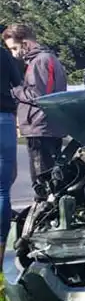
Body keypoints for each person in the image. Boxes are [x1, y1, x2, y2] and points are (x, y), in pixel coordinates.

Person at [2, 24, 68, 200]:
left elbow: (39, 95)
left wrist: (15, 90)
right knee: (50, 178)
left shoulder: (40, 61)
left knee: (42, 182)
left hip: (40, 126)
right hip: (46, 124)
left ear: (25, 43)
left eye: (15, 48)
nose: (14, 53)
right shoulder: (45, 59)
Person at [0, 27, 22, 265]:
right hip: (3, 117)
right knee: (2, 189)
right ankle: (1, 246)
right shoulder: (4, 55)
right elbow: (19, 83)